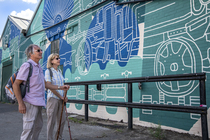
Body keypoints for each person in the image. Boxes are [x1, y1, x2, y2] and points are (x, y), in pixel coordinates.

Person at [13, 44, 70, 140]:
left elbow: (46, 85)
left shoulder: (38, 67)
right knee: (28, 128)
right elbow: (16, 84)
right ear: (31, 54)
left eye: (41, 50)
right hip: (30, 102)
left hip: (39, 102)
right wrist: (20, 103)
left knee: (38, 126)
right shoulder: (27, 65)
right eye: (38, 50)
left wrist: (61, 87)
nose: (41, 52)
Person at [45, 53, 68, 140]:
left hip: (61, 99)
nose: (59, 59)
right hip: (53, 99)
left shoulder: (60, 71)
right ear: (51, 61)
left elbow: (61, 85)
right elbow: (49, 86)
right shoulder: (48, 71)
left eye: (59, 58)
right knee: (51, 121)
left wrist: (64, 96)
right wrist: (60, 96)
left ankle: (58, 138)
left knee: (62, 121)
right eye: (56, 58)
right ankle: (49, 138)